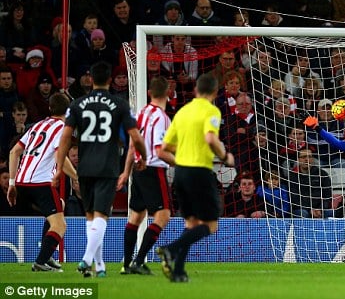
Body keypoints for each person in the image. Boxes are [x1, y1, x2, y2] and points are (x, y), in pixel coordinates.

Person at [52, 61, 147, 278]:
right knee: (101, 216)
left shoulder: (77, 104)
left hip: (84, 167)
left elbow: (65, 138)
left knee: (91, 217)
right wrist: (143, 156)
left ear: (91, 80)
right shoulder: (120, 104)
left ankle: (100, 265)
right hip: (107, 165)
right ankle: (87, 258)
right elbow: (135, 136)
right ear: (110, 80)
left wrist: (59, 168)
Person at [156, 72, 235, 283]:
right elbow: (210, 138)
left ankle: (179, 272)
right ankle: (170, 250)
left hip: (180, 172)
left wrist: (185, 150)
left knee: (191, 224)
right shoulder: (212, 110)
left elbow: (165, 148)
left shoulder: (182, 111)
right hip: (199, 171)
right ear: (215, 92)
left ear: (195, 90)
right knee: (210, 225)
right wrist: (225, 156)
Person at [7, 93, 78, 272]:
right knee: (60, 225)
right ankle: (40, 262)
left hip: (22, 183)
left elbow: (14, 152)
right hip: (40, 183)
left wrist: (12, 183)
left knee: (59, 205)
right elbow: (59, 154)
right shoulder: (63, 127)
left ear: (49, 108)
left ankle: (47, 257)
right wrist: (76, 177)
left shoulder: (37, 125)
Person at [117, 76, 172, 275]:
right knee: (163, 215)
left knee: (136, 216)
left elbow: (132, 144)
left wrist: (125, 172)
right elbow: (158, 151)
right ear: (168, 92)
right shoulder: (161, 118)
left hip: (137, 170)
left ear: (149, 93)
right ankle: (139, 262)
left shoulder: (141, 113)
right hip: (153, 169)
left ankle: (127, 264)